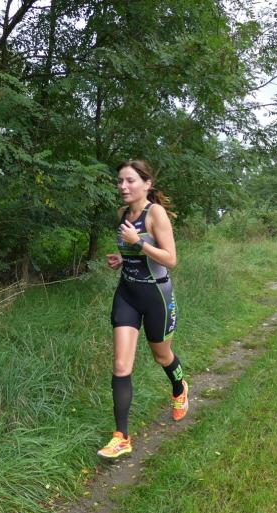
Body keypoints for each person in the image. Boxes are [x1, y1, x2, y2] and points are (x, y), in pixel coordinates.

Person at [97, 159, 189, 459]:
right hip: (127, 294)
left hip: (156, 295)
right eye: (120, 181)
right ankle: (121, 437)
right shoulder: (123, 214)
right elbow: (134, 252)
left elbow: (170, 259)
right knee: (121, 365)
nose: (123, 186)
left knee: (161, 355)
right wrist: (122, 258)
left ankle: (179, 388)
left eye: (130, 180)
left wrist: (137, 243)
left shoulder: (155, 213)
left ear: (147, 184)